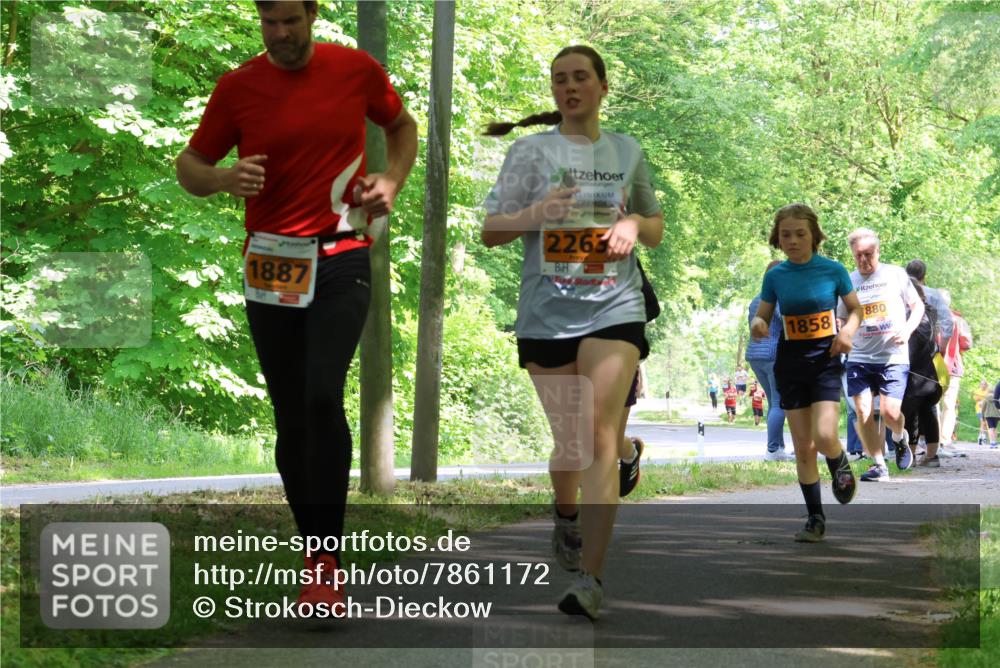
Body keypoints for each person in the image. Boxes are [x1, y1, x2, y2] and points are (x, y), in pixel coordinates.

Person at [175, 0, 418, 613]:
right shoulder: (238, 87)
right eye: (269, 23)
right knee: (290, 409)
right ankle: (316, 558)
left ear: (312, 14)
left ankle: (327, 562)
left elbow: (402, 127)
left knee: (319, 394)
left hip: (341, 253)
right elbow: (190, 165)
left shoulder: (354, 70)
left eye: (290, 20)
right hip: (271, 260)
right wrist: (223, 178)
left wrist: (391, 179)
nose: (280, 33)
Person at [482, 45, 664, 620]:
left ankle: (591, 578)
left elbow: (654, 225)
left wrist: (632, 223)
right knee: (572, 443)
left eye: (581, 77)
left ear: (603, 86)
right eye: (560, 79)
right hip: (547, 314)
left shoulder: (627, 151)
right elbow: (491, 230)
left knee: (598, 438)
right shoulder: (529, 152)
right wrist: (536, 214)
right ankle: (566, 516)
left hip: (615, 307)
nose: (569, 87)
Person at [751, 203, 862, 543]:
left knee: (825, 435)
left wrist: (847, 333)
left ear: (814, 235)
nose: (793, 241)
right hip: (790, 363)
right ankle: (815, 519)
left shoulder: (833, 270)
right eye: (786, 235)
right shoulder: (775, 276)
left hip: (825, 359)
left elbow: (856, 310)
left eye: (800, 234)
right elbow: (763, 314)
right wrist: (758, 323)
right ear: (778, 238)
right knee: (803, 447)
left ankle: (839, 460)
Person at [839, 228, 924, 481]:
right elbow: (841, 317)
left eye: (868, 254)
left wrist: (907, 331)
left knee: (890, 413)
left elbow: (917, 306)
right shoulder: (848, 281)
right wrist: (843, 334)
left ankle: (899, 437)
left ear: (877, 251)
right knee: (863, 411)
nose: (863, 260)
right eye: (858, 255)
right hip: (860, 356)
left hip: (892, 357)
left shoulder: (895, 274)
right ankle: (878, 465)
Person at [747, 260, 791, 460]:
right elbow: (786, 321)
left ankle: (778, 447)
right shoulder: (778, 299)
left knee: (774, 402)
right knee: (778, 402)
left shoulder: (756, 300)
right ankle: (773, 450)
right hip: (773, 355)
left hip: (755, 356)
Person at [900, 279, 945, 468]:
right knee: (928, 412)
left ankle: (910, 457)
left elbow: (912, 345)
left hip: (916, 373)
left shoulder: (914, 316)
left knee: (909, 414)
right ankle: (931, 456)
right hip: (932, 371)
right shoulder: (931, 311)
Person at [937, 293, 973, 455]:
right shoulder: (958, 319)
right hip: (952, 365)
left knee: (932, 404)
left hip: (932, 365)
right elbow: (967, 343)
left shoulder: (929, 316)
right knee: (949, 405)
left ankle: (932, 439)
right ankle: (944, 440)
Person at [975, 379, 992, 445]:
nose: (983, 385)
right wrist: (983, 399)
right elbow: (976, 399)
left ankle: (980, 437)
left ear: (986, 385)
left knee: (984, 423)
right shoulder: (977, 391)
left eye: (984, 384)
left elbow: (989, 398)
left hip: (987, 409)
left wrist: (983, 399)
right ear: (980, 385)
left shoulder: (988, 391)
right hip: (979, 409)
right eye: (982, 384)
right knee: (983, 422)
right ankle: (983, 437)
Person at [983, 380, 1000, 450]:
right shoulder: (997, 398)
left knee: (990, 428)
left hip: (988, 415)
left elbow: (983, 407)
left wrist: (982, 415)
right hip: (996, 415)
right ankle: (995, 442)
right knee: (995, 428)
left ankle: (992, 442)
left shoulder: (986, 397)